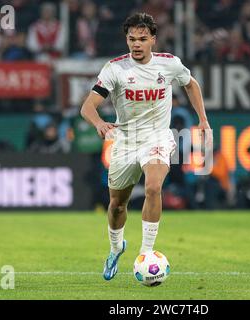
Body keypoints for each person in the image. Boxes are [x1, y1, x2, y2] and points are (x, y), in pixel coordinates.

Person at [80, 12, 212, 281]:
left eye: (142, 39)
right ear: (126, 40)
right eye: (131, 39)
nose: (136, 44)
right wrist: (98, 123)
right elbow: (87, 106)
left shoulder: (169, 64)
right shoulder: (115, 69)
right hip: (125, 141)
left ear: (153, 39)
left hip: (157, 137)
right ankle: (116, 248)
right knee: (117, 205)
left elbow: (191, 84)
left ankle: (146, 253)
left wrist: (203, 119)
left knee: (153, 186)